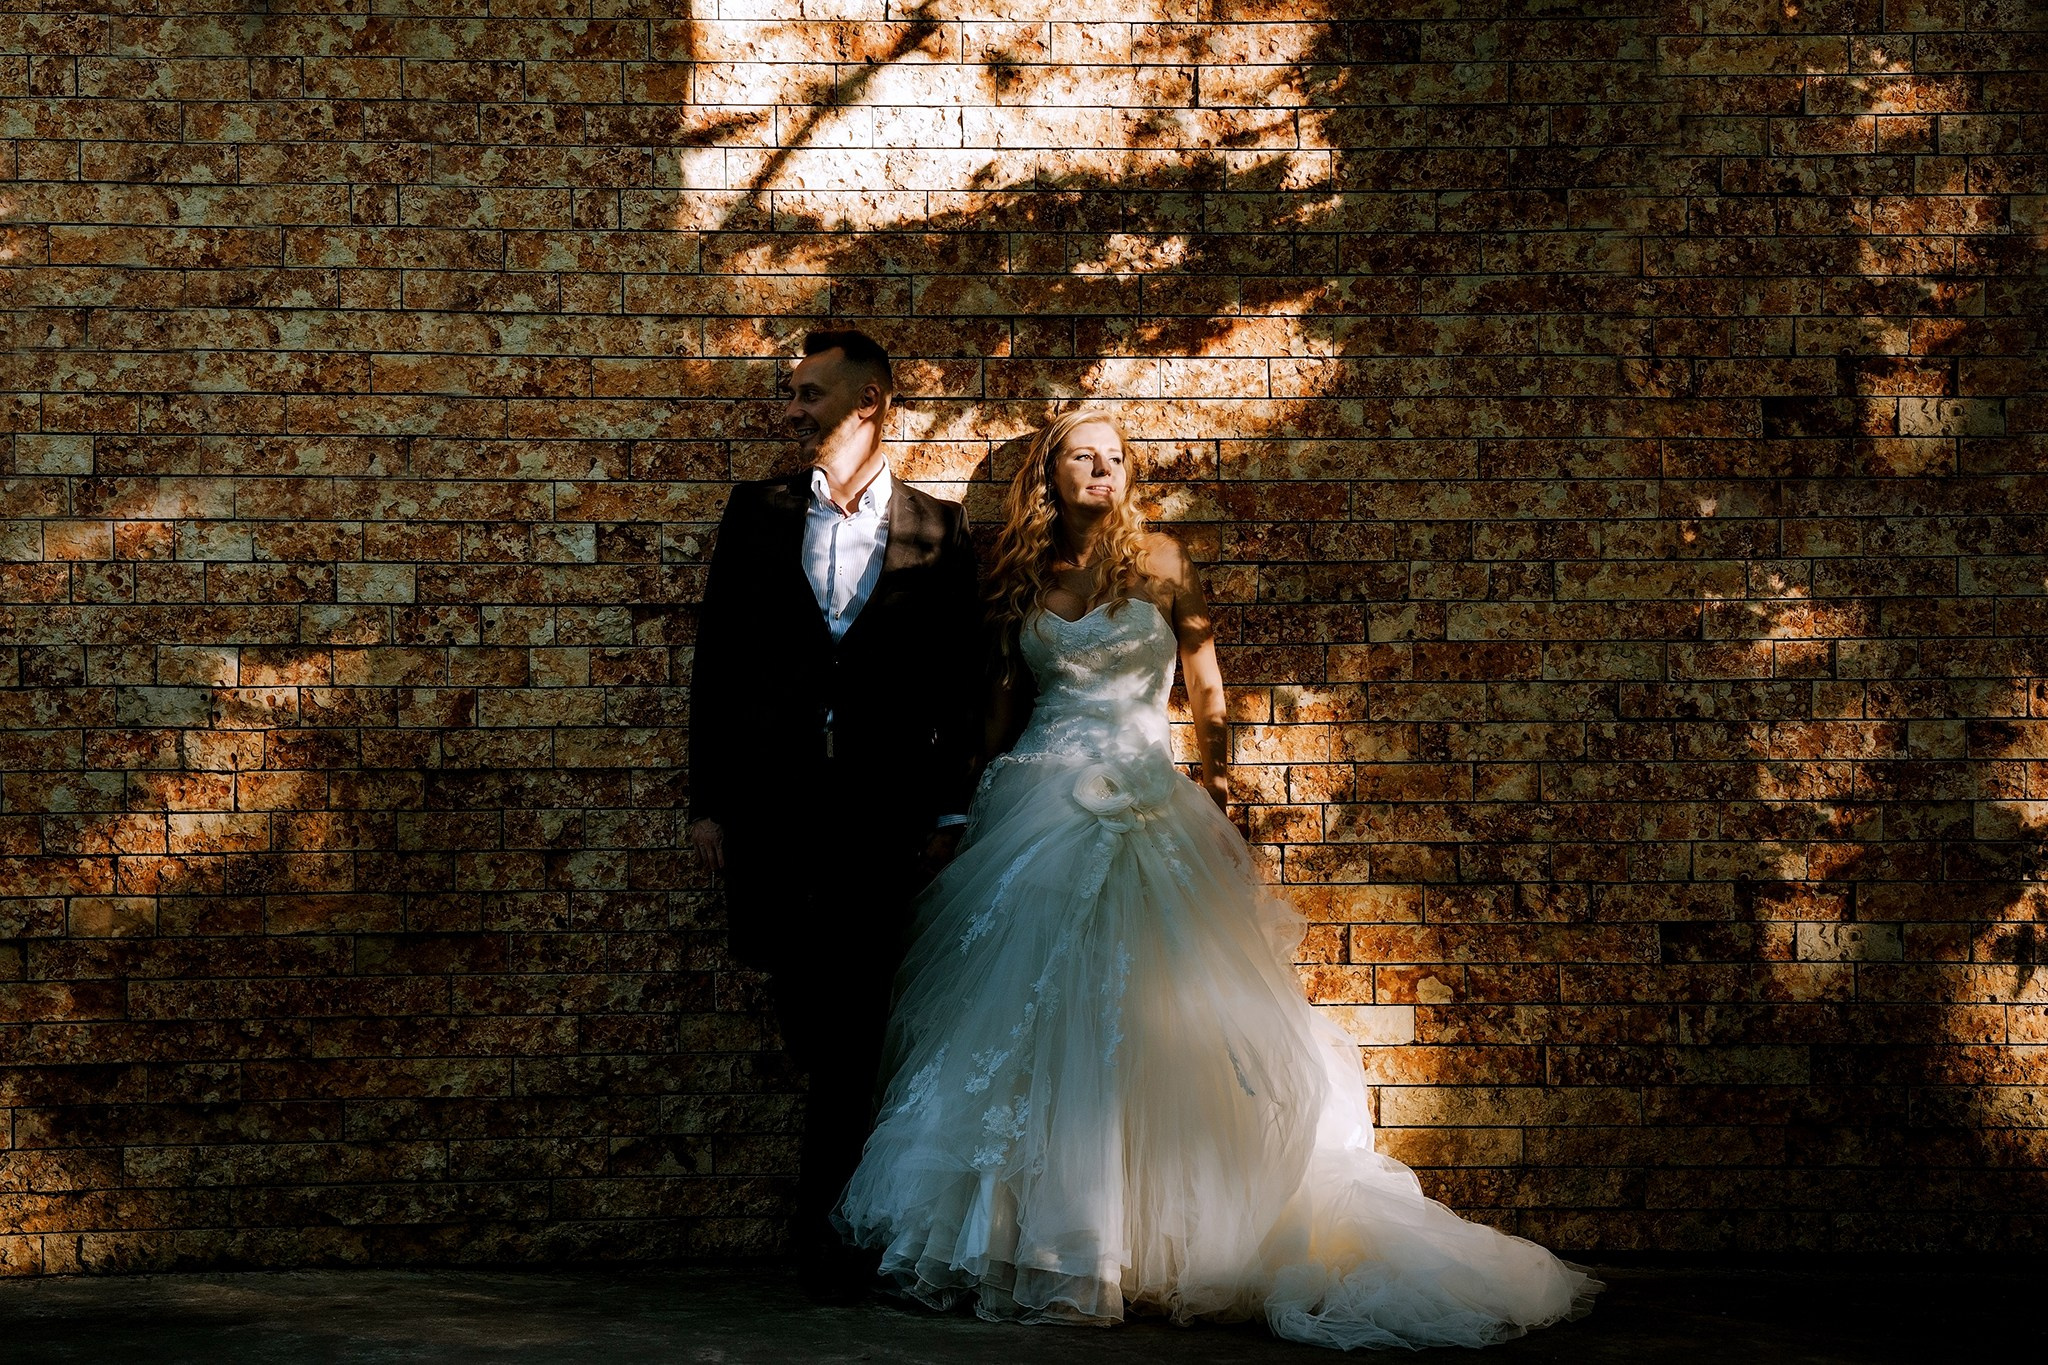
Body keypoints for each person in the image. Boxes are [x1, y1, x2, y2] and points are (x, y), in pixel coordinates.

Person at [836, 409, 1597, 1348]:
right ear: (1052, 472)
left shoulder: (1160, 558)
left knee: (1164, 1013)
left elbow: (1202, 676)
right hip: (1033, 796)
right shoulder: (1023, 570)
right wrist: (965, 811)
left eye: (1117, 459)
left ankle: (1161, 1243)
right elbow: (1000, 697)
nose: (1102, 471)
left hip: (1146, 791)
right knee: (1031, 1010)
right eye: (1084, 456)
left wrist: (1221, 765)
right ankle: (1042, 1242)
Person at [687, 329, 981, 1296]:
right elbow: (719, 665)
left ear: (872, 404)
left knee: (854, 1016)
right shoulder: (756, 514)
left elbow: (961, 681)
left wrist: (948, 807)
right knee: (803, 1008)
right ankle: (841, 1211)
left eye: (811, 392)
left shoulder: (938, 532)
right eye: (792, 392)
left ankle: (829, 1233)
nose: (793, 408)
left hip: (877, 812)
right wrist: (710, 801)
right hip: (773, 806)